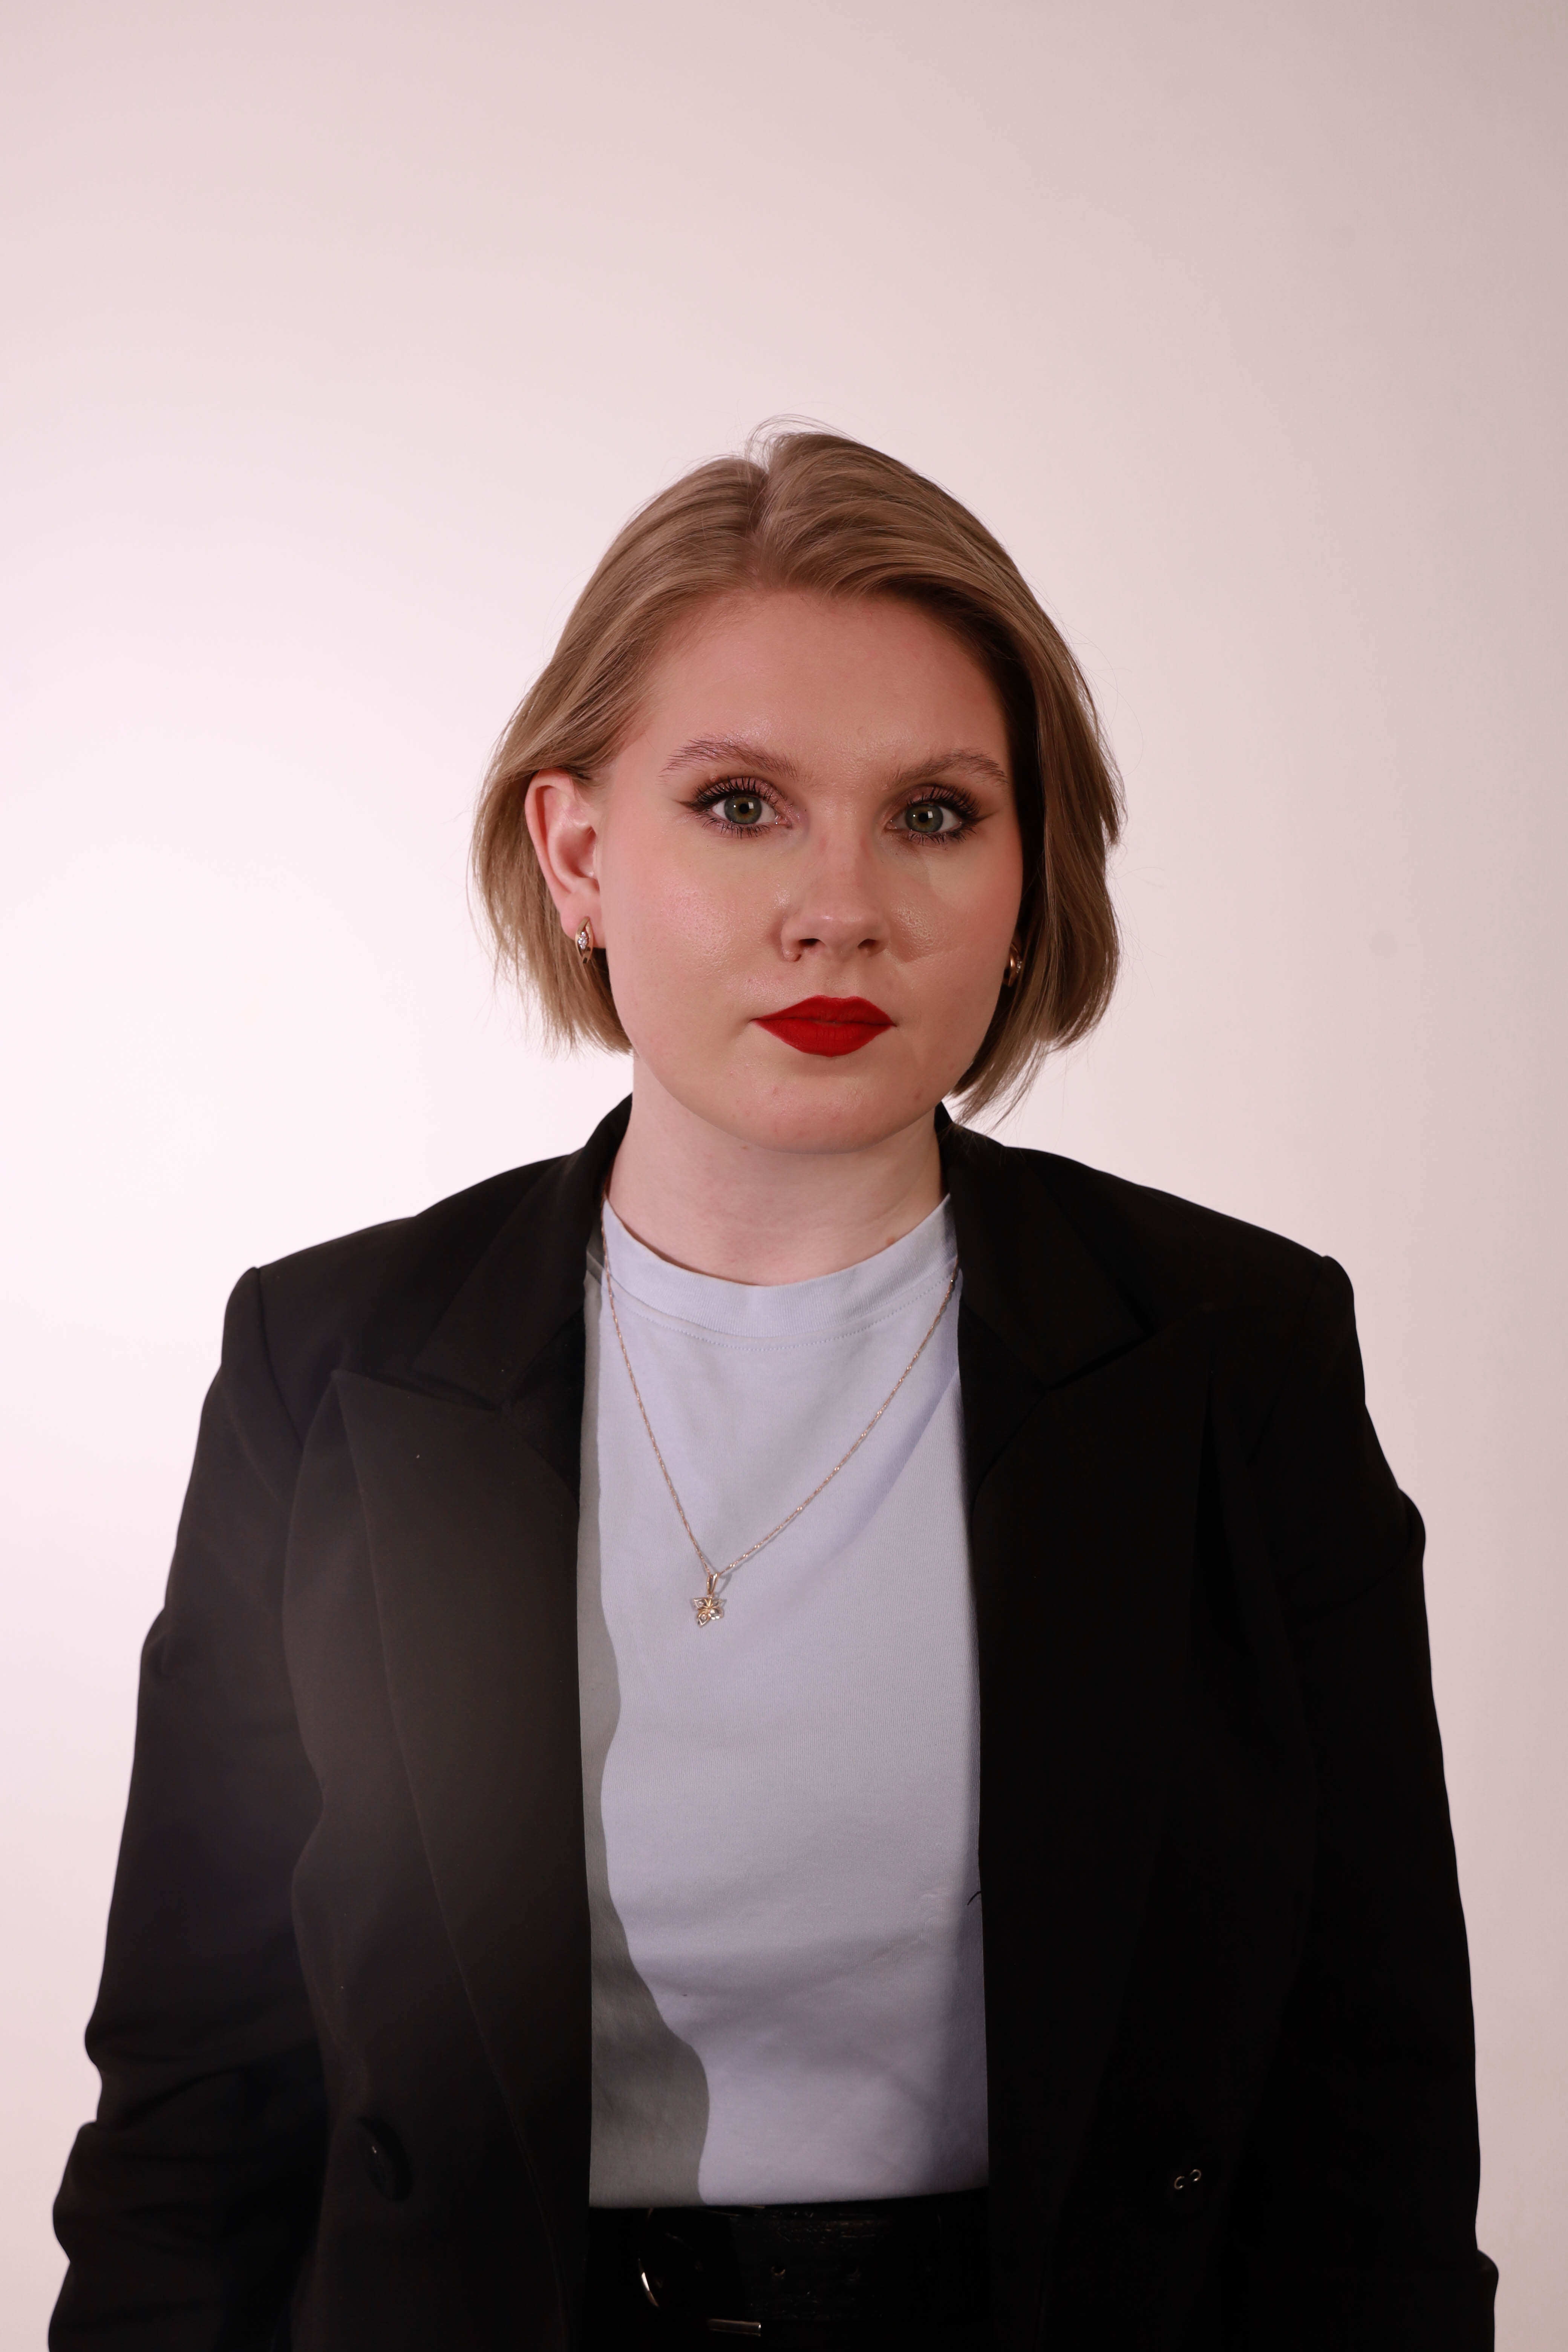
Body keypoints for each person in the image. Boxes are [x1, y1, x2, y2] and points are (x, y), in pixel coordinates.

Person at [52, 430, 1496, 2351]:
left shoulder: (1237, 1353)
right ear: (577, 852)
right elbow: (198, 2114)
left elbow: (1366, 2116)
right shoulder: (329, 1363)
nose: (840, 907)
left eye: (933, 814)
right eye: (739, 805)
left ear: (1026, 874)